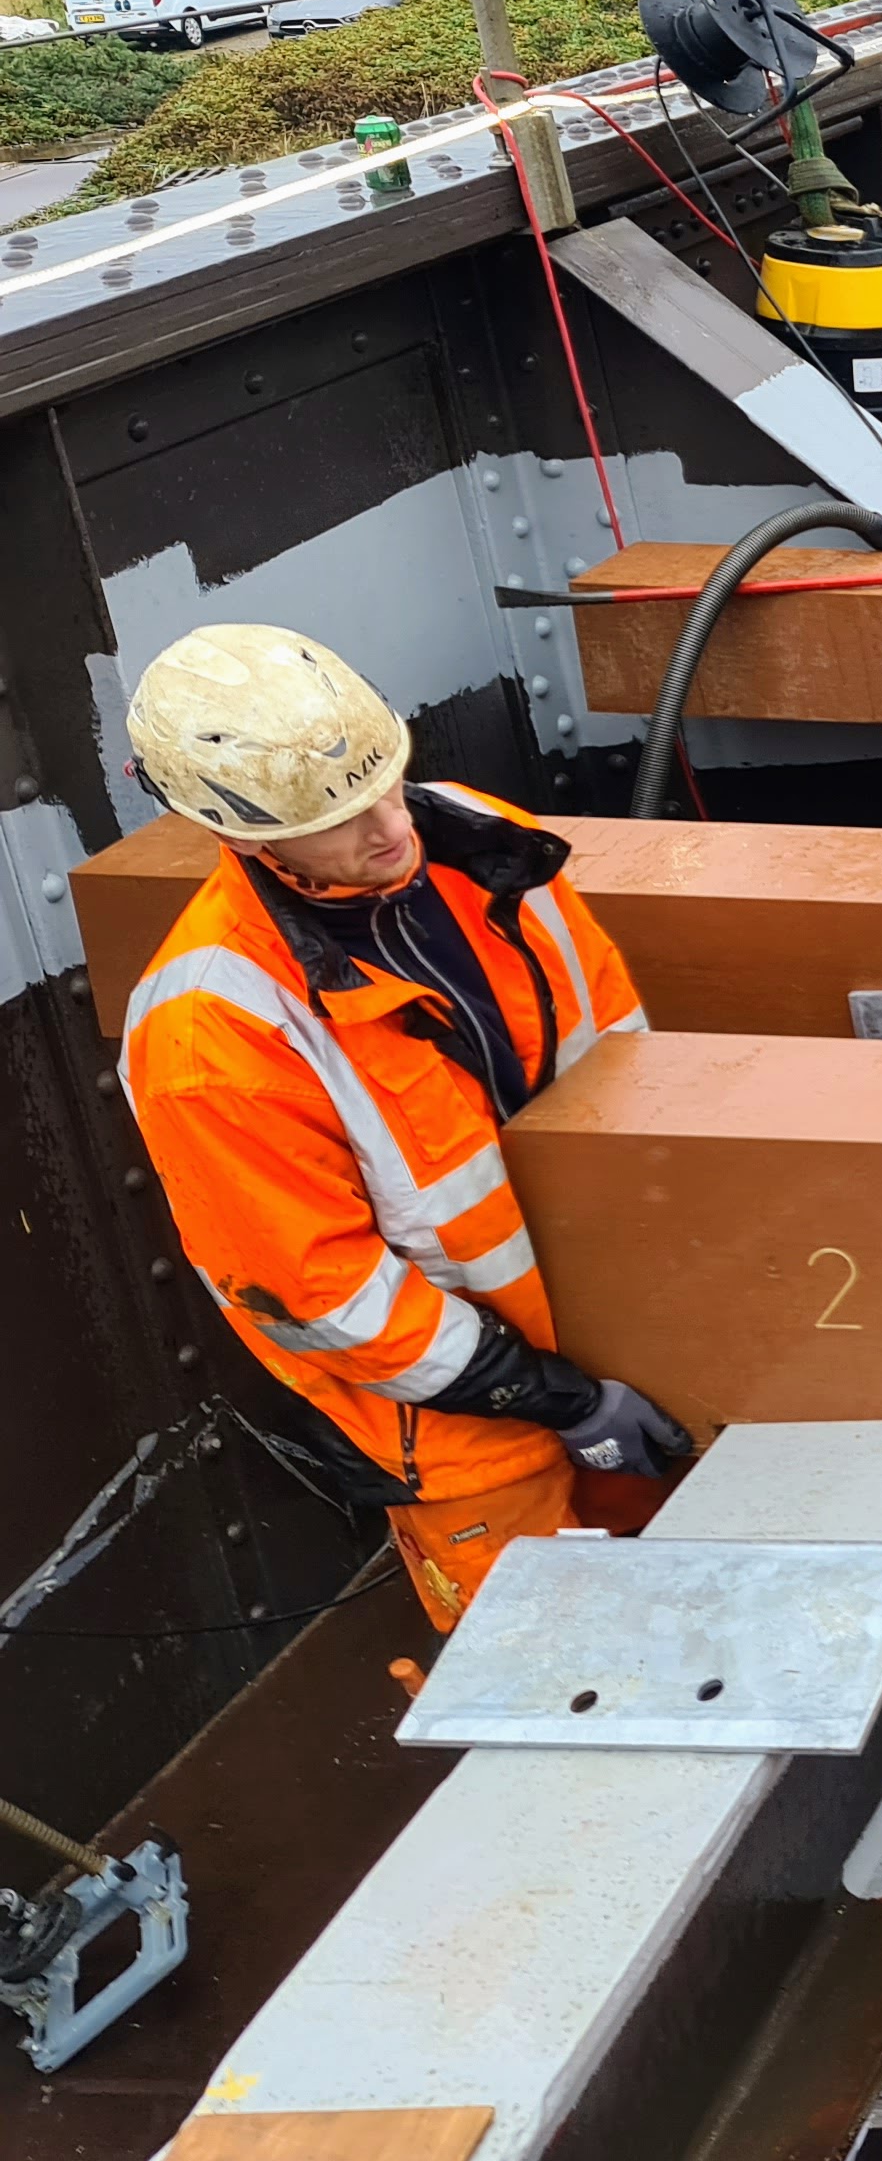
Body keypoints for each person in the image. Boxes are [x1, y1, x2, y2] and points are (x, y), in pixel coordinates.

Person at [118, 625, 699, 1631]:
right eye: (339, 819)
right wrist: (557, 1400)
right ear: (243, 839)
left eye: (387, 783)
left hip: (621, 1339)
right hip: (468, 1433)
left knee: (711, 1601)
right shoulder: (212, 1038)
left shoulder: (485, 843)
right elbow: (330, 1298)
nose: (389, 826)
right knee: (560, 1670)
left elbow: (619, 1052)